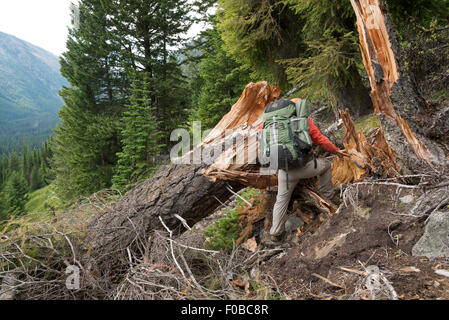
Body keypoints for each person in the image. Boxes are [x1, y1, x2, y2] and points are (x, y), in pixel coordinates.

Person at [261, 98, 346, 245]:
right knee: (326, 165)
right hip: (303, 167)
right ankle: (328, 197)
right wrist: (337, 151)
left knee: (281, 199)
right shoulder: (300, 120)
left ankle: (275, 234)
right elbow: (319, 139)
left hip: (283, 171)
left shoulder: (270, 122)